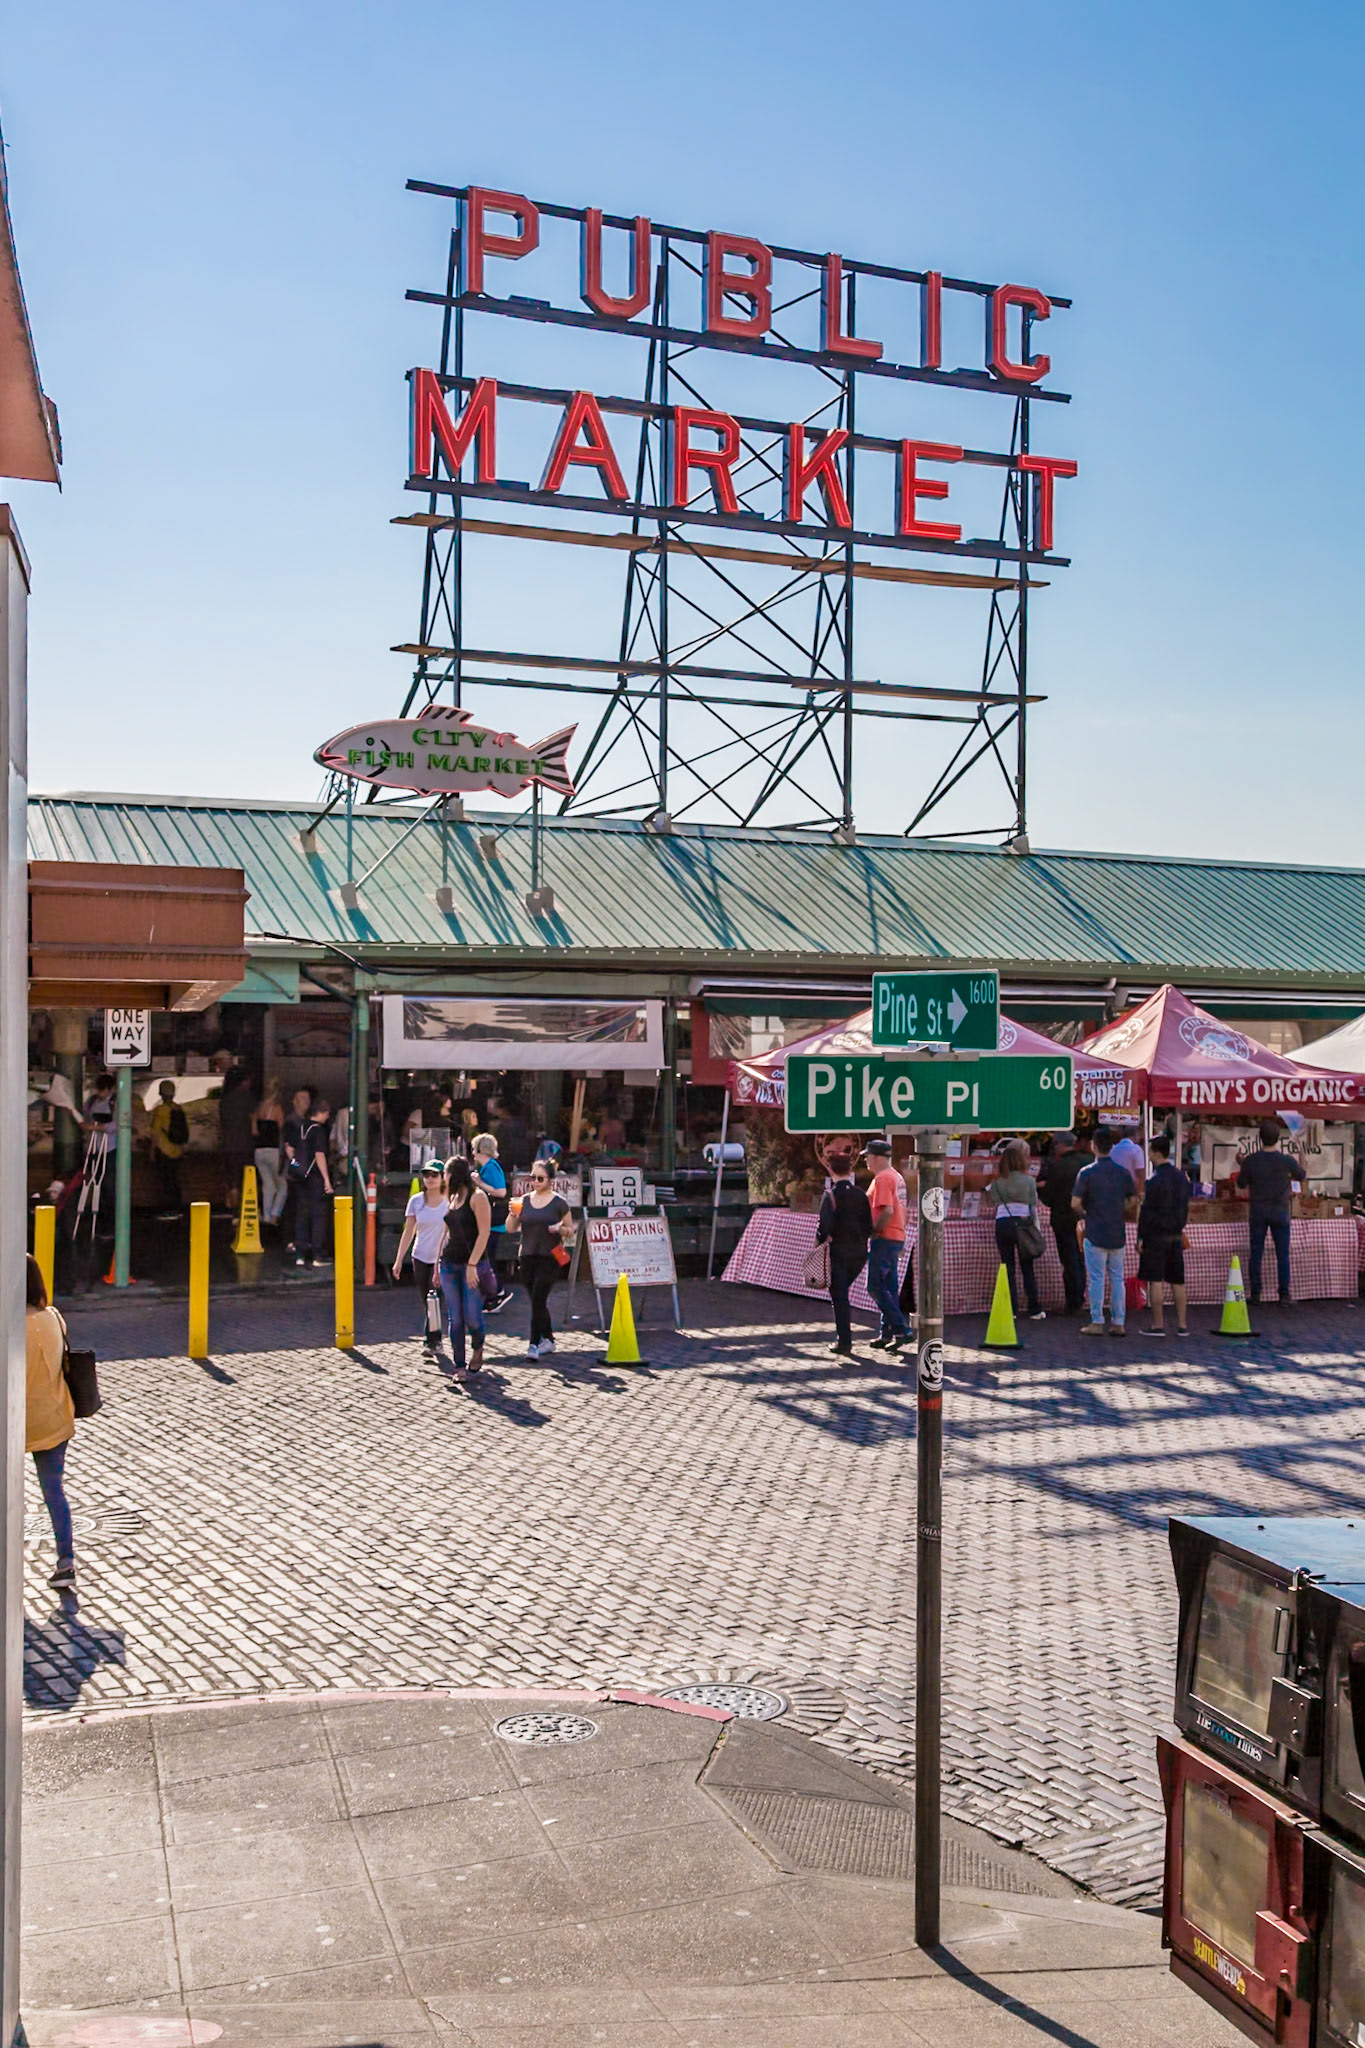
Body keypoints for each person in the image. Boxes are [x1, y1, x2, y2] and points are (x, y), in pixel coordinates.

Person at [26, 1255, 76, 1590]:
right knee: (53, 1489)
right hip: (56, 1415)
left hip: (18, 1420)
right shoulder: (53, 1317)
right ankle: (66, 1561)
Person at [1073, 1128, 1138, 1335]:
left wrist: (1085, 1211)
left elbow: (1074, 1202)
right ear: (1111, 1147)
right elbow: (1133, 1200)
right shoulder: (1123, 1173)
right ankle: (1119, 1322)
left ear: (1093, 1145)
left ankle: (1097, 1321)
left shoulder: (1086, 1173)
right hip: (1117, 1231)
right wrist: (1120, 1208)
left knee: (1097, 1278)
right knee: (1117, 1278)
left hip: (1095, 1230)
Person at [507, 1158, 573, 1358]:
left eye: (540, 1178)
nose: (535, 1181)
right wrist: (512, 1214)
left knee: (538, 1299)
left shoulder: (559, 1203)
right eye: (532, 1177)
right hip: (527, 1256)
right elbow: (510, 1228)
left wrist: (559, 1229)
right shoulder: (524, 1200)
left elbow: (570, 1230)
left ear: (550, 1180)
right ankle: (549, 1339)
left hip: (550, 1257)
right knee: (537, 1300)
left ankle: (534, 1344)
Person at [1238, 1121, 1307, 1305]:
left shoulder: (1251, 1160)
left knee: (1256, 1253)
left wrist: (1241, 1163)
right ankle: (1283, 1295)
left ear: (1260, 1138)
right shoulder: (1286, 1161)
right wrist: (1302, 1153)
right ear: (1278, 1139)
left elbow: (1241, 1183)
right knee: (1283, 1255)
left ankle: (1255, 1294)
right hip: (1280, 1211)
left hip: (1258, 1211)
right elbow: (1302, 1175)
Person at [816, 1147, 872, 1358]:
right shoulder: (861, 1195)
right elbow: (869, 1225)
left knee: (839, 1296)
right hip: (858, 1252)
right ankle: (844, 1338)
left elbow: (825, 1227)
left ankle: (844, 1340)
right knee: (842, 1293)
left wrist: (819, 1242)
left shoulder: (830, 1196)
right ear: (850, 1170)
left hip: (838, 1251)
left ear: (830, 1170)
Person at [438, 1158, 491, 1376]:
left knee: (472, 1316)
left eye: (445, 1174)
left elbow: (484, 1232)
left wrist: (472, 1264)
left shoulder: (477, 1197)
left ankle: (478, 1348)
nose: (443, 1179)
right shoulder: (451, 1197)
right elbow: (446, 1231)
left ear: (454, 1175)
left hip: (472, 1263)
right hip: (449, 1263)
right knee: (455, 1318)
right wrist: (436, 1262)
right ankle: (459, 1365)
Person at [393, 1162, 449, 1356]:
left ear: (443, 1177)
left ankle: (432, 1340)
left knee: (435, 1299)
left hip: (441, 1258)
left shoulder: (449, 1201)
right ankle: (434, 1339)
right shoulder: (416, 1201)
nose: (430, 1178)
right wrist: (399, 1259)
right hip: (420, 1256)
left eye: (434, 1174)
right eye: (426, 1175)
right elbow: (409, 1232)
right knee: (427, 1300)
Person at [1139, 1133, 1190, 1335]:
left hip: (1156, 1236)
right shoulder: (1181, 1177)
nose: (1148, 1155)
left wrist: (1141, 1236)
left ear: (1155, 1152)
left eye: (1149, 1151)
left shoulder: (1153, 1181)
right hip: (1176, 1234)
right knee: (1178, 1281)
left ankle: (1158, 1324)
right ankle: (1182, 1324)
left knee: (1155, 1280)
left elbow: (1146, 1212)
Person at [862, 1139, 909, 1351]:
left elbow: (886, 1210)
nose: (865, 1160)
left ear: (876, 1157)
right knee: (889, 1287)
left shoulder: (882, 1178)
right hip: (896, 1235)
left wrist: (875, 1230)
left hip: (886, 1237)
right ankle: (888, 1332)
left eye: (867, 1156)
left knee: (874, 1285)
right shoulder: (897, 1176)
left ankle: (901, 1328)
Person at [1037, 1130, 1090, 1314]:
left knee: (1069, 1260)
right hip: (1085, 1217)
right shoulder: (1087, 1162)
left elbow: (1049, 1196)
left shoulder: (1058, 1167)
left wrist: (1041, 1190)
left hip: (1063, 1218)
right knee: (1081, 1258)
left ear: (1059, 1145)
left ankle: (1073, 1301)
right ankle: (1079, 1298)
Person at [993, 1138, 1045, 1321]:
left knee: (1007, 1267)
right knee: (1027, 1267)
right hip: (1023, 1223)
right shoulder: (1029, 1181)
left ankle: (1011, 1308)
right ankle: (1034, 1308)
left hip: (1002, 1223)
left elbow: (995, 1202)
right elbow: (1033, 1205)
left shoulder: (997, 1182)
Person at [287, 1098, 333, 1269]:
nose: (328, 1117)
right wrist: (327, 1180)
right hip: (314, 1178)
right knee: (318, 1216)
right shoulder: (318, 1131)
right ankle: (317, 1255)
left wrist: (299, 1166)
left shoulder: (299, 1126)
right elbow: (319, 1155)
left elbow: (290, 1150)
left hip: (299, 1178)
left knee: (301, 1215)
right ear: (321, 1113)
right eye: (327, 1114)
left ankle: (299, 1255)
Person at [472, 1132, 514, 1310]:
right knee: (486, 1259)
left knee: (487, 1260)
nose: (472, 1152)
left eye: (474, 1148)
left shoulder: (490, 1167)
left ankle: (498, 1292)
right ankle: (492, 1294)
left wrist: (479, 1182)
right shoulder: (487, 1167)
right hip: (490, 1221)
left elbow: (501, 1191)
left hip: (493, 1222)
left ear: (482, 1150)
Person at [218, 1067, 256, 1212]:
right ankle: (243, 1210)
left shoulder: (225, 1099)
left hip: (228, 1145)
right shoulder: (248, 1098)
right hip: (245, 1144)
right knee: (246, 1179)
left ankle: (233, 1211)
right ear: (244, 1081)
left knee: (232, 1180)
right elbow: (253, 1120)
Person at [279, 1086, 313, 1249]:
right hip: (295, 1172)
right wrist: (300, 1168)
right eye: (302, 1099)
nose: (306, 1102)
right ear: (294, 1102)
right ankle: (291, 1239)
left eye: (307, 1099)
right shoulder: (291, 1123)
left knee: (301, 1206)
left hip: (302, 1170)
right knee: (294, 1206)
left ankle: (297, 1239)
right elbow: (289, 1152)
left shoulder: (306, 1122)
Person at [149, 1078, 188, 1219]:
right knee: (175, 1180)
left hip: (163, 1150)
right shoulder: (179, 1109)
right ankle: (177, 1208)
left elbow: (155, 1133)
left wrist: (152, 1151)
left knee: (166, 1181)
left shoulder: (160, 1111)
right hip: (176, 1151)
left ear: (160, 1093)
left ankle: (170, 1210)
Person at [252, 1082, 287, 1225]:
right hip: (273, 1150)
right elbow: (282, 1130)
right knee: (283, 1186)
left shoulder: (259, 1109)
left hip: (259, 1150)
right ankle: (275, 1214)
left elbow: (254, 1131)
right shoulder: (277, 1109)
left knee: (268, 1185)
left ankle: (266, 1215)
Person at [1110, 1124, 1147, 1194]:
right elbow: (1141, 1174)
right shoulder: (1136, 1150)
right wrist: (1139, 1193)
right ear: (1135, 1136)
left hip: (1114, 1190)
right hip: (1130, 1191)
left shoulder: (1112, 1149)